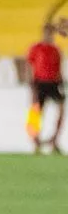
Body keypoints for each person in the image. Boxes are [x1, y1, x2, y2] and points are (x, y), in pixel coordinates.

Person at [27, 23, 64, 154]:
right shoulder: (36, 48)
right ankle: (35, 141)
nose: (49, 35)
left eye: (51, 32)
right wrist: (31, 85)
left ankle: (54, 141)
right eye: (47, 32)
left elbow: (58, 69)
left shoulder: (56, 50)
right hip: (40, 83)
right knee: (36, 112)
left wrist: (61, 83)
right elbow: (30, 67)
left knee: (61, 109)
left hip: (53, 83)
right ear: (43, 33)